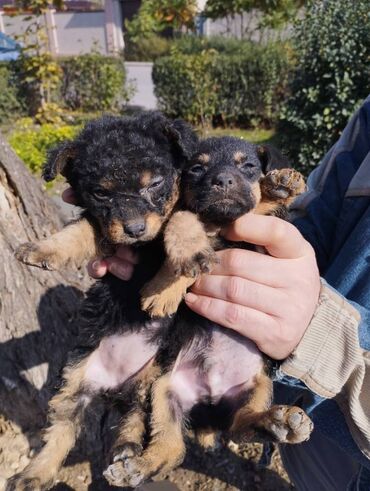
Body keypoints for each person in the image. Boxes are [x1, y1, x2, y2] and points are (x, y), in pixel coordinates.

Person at [62, 97, 370, 490]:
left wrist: (322, 331)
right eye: (199, 170)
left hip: (347, 426)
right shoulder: (366, 120)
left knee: (242, 389)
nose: (224, 179)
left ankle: (239, 424)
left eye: (245, 169)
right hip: (304, 431)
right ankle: (169, 447)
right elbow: (310, 227)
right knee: (166, 388)